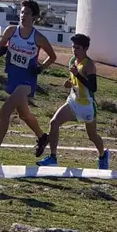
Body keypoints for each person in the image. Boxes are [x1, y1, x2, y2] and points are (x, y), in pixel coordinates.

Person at [0, 0, 55, 165]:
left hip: (27, 80)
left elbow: (53, 57)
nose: (23, 16)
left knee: (4, 111)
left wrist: (41, 68)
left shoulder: (38, 37)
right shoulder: (11, 31)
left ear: (34, 17)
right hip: (13, 77)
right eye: (22, 12)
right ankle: (43, 137)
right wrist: (2, 50)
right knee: (24, 114)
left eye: (27, 13)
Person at [36, 33, 110, 169]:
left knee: (92, 136)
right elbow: (75, 80)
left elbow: (93, 87)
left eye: (78, 48)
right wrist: (70, 82)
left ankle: (103, 155)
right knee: (54, 122)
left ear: (85, 49)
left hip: (87, 105)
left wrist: (77, 75)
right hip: (73, 101)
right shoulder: (71, 62)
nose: (74, 51)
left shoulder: (89, 65)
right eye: (73, 47)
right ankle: (53, 157)